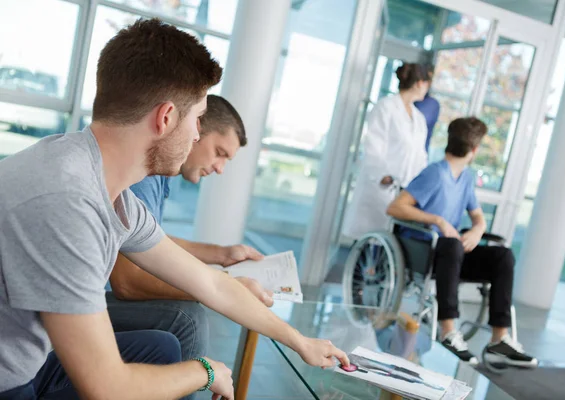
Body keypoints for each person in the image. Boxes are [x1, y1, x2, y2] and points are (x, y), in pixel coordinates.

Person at [0, 18, 348, 400]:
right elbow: (108, 388)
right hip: (10, 383)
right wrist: (204, 371)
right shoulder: (67, 202)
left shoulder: (106, 187)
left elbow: (211, 283)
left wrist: (301, 341)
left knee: (163, 350)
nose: (198, 133)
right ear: (165, 118)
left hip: (33, 360)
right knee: (177, 363)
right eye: (198, 118)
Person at [106, 94, 272, 399]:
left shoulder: (157, 179)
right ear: (195, 130)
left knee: (187, 315)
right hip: (85, 298)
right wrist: (215, 287)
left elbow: (149, 241)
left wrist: (221, 255)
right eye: (219, 152)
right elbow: (126, 282)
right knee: (187, 317)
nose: (220, 168)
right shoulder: (144, 177)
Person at [386, 117, 537, 368]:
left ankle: (499, 338)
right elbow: (395, 207)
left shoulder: (465, 178)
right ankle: (448, 332)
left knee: (503, 255)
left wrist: (478, 230)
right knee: (452, 244)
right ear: (475, 150)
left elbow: (478, 217)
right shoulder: (435, 173)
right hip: (424, 252)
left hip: (450, 254)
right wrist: (438, 220)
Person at [342, 63, 431, 240]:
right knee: (368, 243)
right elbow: (373, 147)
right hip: (381, 187)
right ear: (420, 83)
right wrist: (382, 175)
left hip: (404, 192)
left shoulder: (419, 119)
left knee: (390, 248)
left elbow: (420, 156)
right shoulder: (385, 107)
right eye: (427, 84)